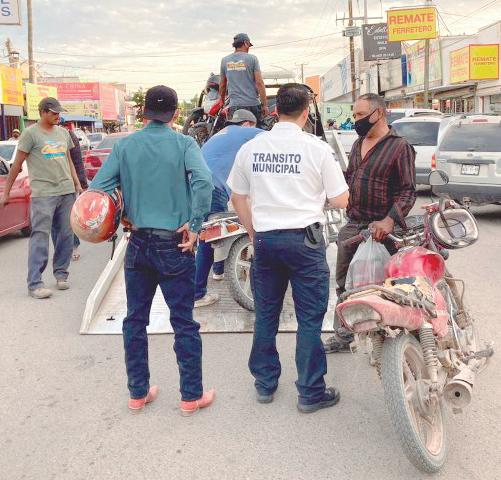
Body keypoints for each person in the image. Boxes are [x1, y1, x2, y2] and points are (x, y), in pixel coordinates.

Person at [90, 85, 216, 415]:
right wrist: (195, 224)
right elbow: (204, 181)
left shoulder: (125, 146)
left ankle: (138, 393)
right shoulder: (184, 144)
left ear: (145, 112)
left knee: (135, 320)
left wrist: (123, 211)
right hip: (175, 243)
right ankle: (190, 396)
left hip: (138, 243)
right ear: (174, 113)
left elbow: (98, 188)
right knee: (184, 322)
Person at [227, 84, 349, 412]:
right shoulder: (317, 148)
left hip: (266, 241)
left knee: (266, 314)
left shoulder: (252, 148)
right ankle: (310, 392)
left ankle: (265, 384)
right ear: (306, 112)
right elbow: (341, 199)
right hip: (305, 242)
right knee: (309, 318)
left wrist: (253, 232)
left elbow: (237, 196)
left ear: (275, 111)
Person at [323, 93, 417, 353]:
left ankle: (393, 336)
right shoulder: (358, 144)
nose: (357, 120)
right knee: (345, 283)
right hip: (354, 225)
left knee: (387, 285)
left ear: (379, 113)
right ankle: (344, 335)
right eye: (354, 115)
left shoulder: (400, 147)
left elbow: (408, 191)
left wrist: (389, 220)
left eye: (361, 115)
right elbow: (350, 178)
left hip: (384, 230)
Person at [0, 98, 82, 299]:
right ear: (43, 112)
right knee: (40, 237)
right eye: (54, 113)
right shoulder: (30, 134)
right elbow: (17, 165)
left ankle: (61, 274)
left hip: (66, 192)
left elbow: (69, 161)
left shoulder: (63, 133)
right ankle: (35, 284)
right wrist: (7, 192)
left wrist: (77, 184)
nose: (57, 116)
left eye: (59, 113)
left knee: (66, 235)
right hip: (43, 194)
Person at [194, 109, 261, 308]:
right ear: (248, 123)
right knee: (208, 238)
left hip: (199, 186)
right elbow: (278, 136)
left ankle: (218, 271)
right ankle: (197, 294)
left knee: (215, 231)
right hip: (211, 187)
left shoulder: (221, 134)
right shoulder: (247, 132)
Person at [219, 33, 269, 126]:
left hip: (235, 106)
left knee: (236, 132)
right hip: (253, 105)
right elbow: (259, 83)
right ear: (246, 43)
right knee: (257, 132)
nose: (249, 48)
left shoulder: (225, 60)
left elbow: (222, 84)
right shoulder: (252, 59)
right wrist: (264, 105)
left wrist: (221, 100)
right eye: (249, 45)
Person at [57, 119, 89, 261]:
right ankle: (61, 250)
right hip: (49, 187)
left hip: (69, 184)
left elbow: (77, 162)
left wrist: (81, 184)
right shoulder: (42, 135)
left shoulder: (69, 136)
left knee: (69, 219)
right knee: (56, 223)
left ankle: (74, 246)